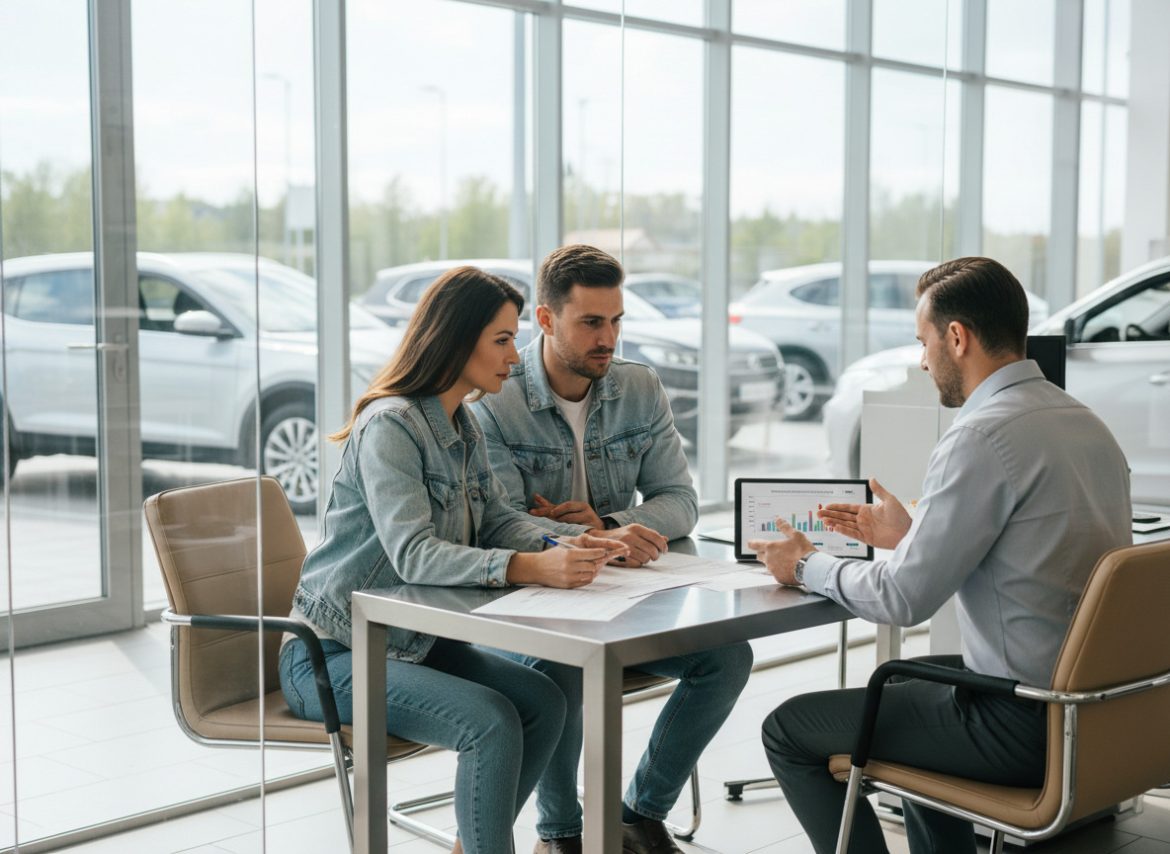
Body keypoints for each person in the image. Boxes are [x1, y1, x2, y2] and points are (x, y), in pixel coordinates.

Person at [749, 256, 1133, 854]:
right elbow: (1032, 552)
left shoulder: (981, 435)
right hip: (1101, 712)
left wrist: (803, 564)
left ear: (957, 338)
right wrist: (913, 536)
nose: (924, 361)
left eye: (923, 341)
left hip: (1024, 722)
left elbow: (903, 600)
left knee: (788, 729)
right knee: (907, 689)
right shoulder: (1084, 423)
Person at [279, 266, 628, 854]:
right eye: (502, 340)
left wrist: (570, 543)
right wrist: (528, 567)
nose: (515, 357)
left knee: (543, 702)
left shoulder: (462, 424)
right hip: (333, 655)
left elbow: (496, 520)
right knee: (490, 721)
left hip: (414, 644)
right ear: (456, 339)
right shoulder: (390, 425)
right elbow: (413, 555)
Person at [472, 244, 754, 854]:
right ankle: (560, 834)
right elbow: (499, 524)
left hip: (621, 598)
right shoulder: (495, 396)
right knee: (558, 669)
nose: (608, 338)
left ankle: (639, 814)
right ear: (545, 320)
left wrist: (607, 521)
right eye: (591, 322)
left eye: (616, 320)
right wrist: (591, 540)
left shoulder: (638, 386)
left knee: (727, 658)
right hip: (523, 601)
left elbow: (680, 500)